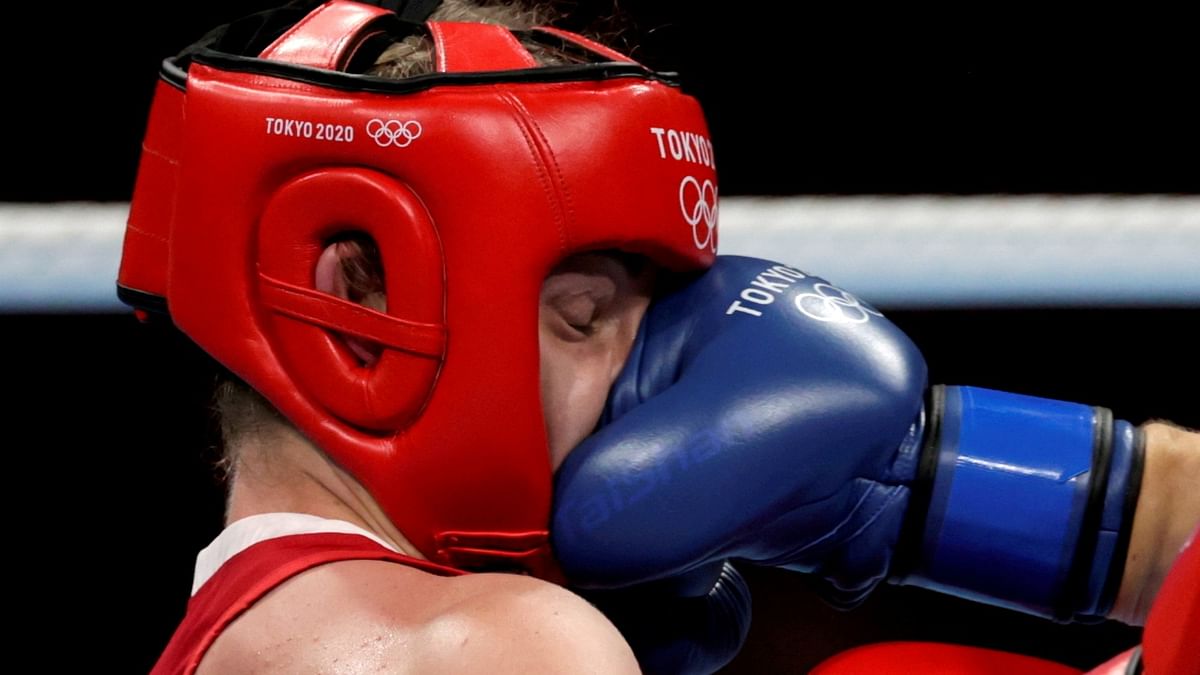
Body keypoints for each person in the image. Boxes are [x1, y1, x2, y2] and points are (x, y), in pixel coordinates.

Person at [119, 1, 1199, 673]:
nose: (659, 371)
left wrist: (902, 490)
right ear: (357, 294)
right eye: (586, 316)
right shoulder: (489, 648)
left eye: (667, 306)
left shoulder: (245, 633)